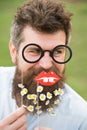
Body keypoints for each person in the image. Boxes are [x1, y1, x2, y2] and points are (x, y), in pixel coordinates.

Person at [0, 0, 87, 130]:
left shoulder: (81, 118)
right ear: (14, 51)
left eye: (57, 51)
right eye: (34, 51)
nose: (46, 65)